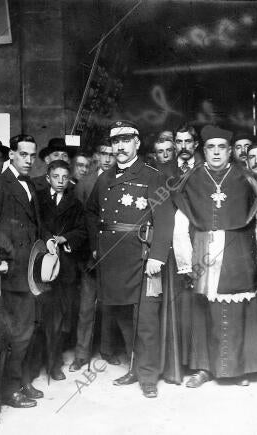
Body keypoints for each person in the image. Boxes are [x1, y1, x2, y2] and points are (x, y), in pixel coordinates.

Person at [172, 125, 257, 389]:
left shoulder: (245, 176)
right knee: (204, 311)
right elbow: (181, 219)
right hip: (203, 249)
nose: (216, 152)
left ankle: (237, 368)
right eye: (210, 147)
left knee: (237, 309)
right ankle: (204, 368)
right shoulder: (192, 178)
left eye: (221, 147)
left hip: (239, 250)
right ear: (203, 150)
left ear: (230, 151)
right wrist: (185, 260)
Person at [85, 120, 174, 398]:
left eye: (126, 140)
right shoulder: (105, 178)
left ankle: (148, 377)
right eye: (116, 141)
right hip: (112, 261)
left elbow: (165, 218)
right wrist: (96, 246)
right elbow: (90, 213)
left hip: (143, 258)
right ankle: (135, 368)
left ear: (137, 143)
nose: (120, 146)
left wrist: (158, 255)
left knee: (145, 320)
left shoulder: (152, 175)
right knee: (124, 316)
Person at [0, 134, 44, 409]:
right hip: (10, 271)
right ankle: (7, 390)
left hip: (29, 269)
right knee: (12, 335)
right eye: (24, 155)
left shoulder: (28, 183)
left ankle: (18, 382)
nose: (29, 160)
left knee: (25, 332)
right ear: (12, 156)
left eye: (32, 155)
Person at [34, 160, 87, 381]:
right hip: (41, 263)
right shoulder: (38, 199)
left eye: (64, 177)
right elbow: (34, 224)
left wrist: (66, 238)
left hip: (64, 267)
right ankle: (37, 363)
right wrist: (47, 239)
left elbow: (83, 230)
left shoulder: (74, 203)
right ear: (48, 178)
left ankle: (54, 364)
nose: (60, 181)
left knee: (59, 318)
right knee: (39, 317)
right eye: (56, 177)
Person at [69, 141, 119, 372]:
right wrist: (90, 250)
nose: (108, 158)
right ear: (96, 156)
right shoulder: (84, 183)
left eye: (112, 154)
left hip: (114, 253)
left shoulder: (121, 179)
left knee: (110, 304)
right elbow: (80, 221)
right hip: (90, 254)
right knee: (86, 306)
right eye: (103, 153)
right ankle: (81, 354)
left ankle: (108, 350)